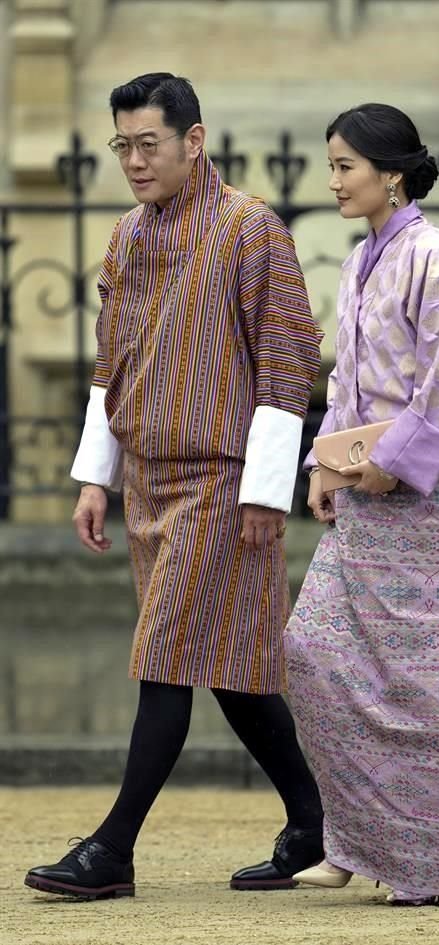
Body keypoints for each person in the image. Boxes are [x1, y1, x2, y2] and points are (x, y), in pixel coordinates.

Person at [24, 73, 325, 900]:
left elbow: (289, 359)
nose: (132, 160)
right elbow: (108, 364)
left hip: (223, 482)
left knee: (164, 655)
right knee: (229, 667)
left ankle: (112, 849)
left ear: (195, 140)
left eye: (147, 143)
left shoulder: (251, 228)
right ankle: (312, 819)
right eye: (122, 145)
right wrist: (96, 478)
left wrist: (269, 490)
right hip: (150, 483)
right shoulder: (126, 236)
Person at [285, 103, 439, 905]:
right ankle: (356, 834)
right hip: (369, 493)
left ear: (390, 172)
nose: (332, 181)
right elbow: (344, 379)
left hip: (431, 504)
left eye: (345, 166)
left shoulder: (437, 255)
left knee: (427, 688)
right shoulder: (362, 259)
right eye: (330, 166)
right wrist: (327, 463)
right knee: (313, 654)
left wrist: (393, 464)